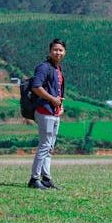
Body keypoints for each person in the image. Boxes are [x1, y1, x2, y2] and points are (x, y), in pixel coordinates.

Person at [28, 38, 66, 190]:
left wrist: (60, 106)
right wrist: (52, 99)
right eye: (55, 49)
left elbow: (58, 93)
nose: (58, 52)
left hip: (54, 113)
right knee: (44, 145)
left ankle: (46, 178)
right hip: (44, 112)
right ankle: (34, 178)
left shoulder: (57, 69)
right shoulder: (44, 67)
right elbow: (36, 86)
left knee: (50, 147)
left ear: (64, 52)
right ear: (50, 51)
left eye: (60, 50)